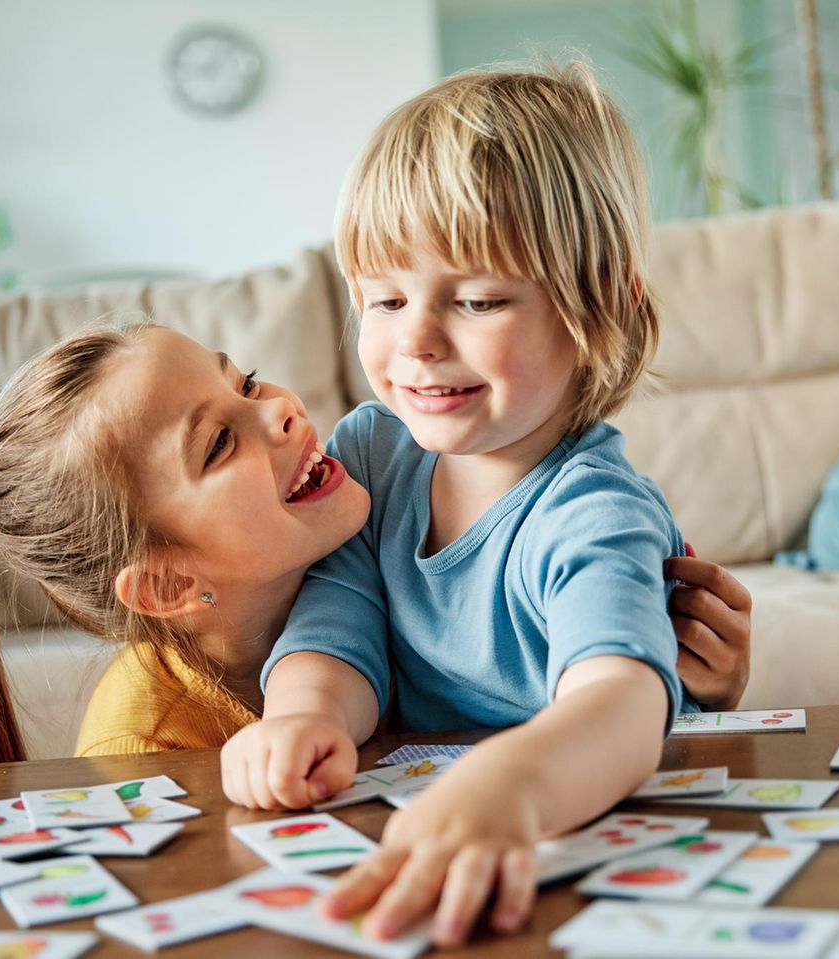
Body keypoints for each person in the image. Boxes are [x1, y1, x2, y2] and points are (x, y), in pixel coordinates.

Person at [220, 63, 716, 947]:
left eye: (479, 298)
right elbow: (338, 624)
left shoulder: (595, 506)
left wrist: (507, 788)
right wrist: (305, 714)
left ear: (601, 313)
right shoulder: (371, 451)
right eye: (385, 298)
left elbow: (623, 703)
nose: (415, 338)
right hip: (403, 841)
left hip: (556, 854)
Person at [0, 324, 750, 768]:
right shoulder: (144, 740)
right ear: (164, 584)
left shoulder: (400, 502)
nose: (278, 409)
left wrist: (689, 678)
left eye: (243, 379)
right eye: (218, 444)